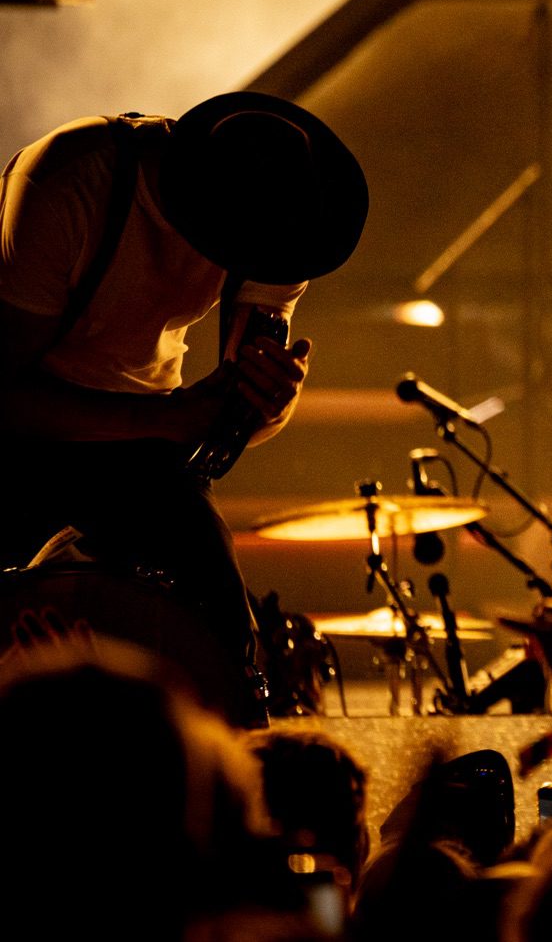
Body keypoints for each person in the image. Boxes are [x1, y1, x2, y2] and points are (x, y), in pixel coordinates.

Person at [0, 92, 367, 722]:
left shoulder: (278, 218)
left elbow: (235, 426)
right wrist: (168, 419)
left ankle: (235, 782)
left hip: (141, 441)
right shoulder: (67, 183)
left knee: (223, 635)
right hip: (23, 430)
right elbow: (2, 393)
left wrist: (268, 399)